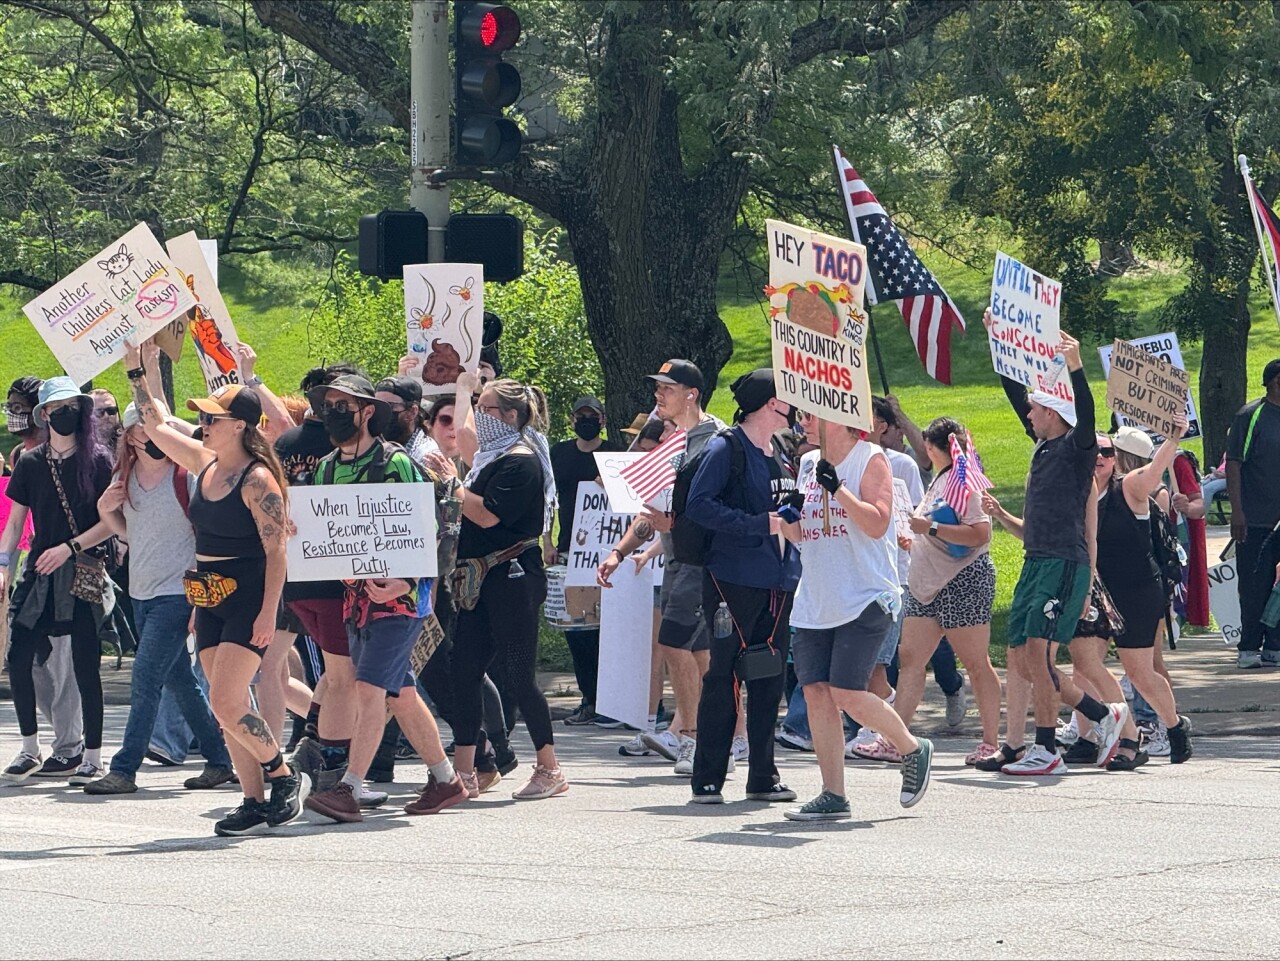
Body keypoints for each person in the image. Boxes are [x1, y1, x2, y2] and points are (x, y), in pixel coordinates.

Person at [128, 346, 309, 837]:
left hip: (251, 596)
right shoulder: (205, 462)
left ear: (240, 426)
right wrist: (136, 371)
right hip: (209, 596)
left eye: (213, 417)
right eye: (204, 418)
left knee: (229, 700)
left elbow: (277, 554)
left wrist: (269, 615)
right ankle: (252, 801)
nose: (203, 424)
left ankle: (284, 776)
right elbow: (157, 425)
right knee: (221, 704)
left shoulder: (258, 481)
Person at [300, 375, 466, 822]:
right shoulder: (326, 469)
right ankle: (447, 780)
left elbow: (429, 529)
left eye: (342, 405)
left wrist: (406, 582)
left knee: (368, 689)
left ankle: (350, 788)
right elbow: (320, 530)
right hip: (356, 603)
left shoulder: (396, 463)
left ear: (367, 411)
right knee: (401, 695)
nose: (332, 413)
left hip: (401, 602)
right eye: (327, 404)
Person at [784, 409, 933, 820]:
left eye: (810, 414)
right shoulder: (808, 462)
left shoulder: (871, 458)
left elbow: (877, 522)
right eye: (799, 416)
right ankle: (833, 793)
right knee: (815, 692)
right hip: (817, 597)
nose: (803, 423)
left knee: (846, 691)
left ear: (838, 417)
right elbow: (805, 536)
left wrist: (840, 492)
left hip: (865, 594)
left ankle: (911, 747)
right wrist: (787, 520)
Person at [993, 330, 1128, 776]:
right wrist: (998, 342)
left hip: (1062, 563)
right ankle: (1104, 715)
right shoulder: (1043, 445)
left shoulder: (1075, 448)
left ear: (1053, 413)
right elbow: (1017, 395)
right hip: (1035, 562)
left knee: (1041, 655)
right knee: (1021, 658)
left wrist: (1074, 365)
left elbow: (1086, 413)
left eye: (1035, 409)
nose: (1027, 414)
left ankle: (1047, 748)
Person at [84, 404, 234, 794]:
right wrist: (106, 511)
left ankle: (124, 768)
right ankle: (220, 761)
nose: (152, 438)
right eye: (144, 430)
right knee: (180, 680)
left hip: (178, 593)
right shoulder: (124, 477)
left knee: (145, 677)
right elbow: (129, 534)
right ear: (130, 436)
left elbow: (209, 539)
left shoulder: (187, 477)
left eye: (159, 428)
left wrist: (201, 601)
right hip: (140, 593)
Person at [596, 360, 728, 775]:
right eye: (658, 388)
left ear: (691, 393)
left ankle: (690, 736)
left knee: (674, 644)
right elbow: (653, 513)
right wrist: (618, 552)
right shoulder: (674, 442)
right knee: (703, 656)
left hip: (703, 561)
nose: (659, 395)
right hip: (676, 559)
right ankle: (714, 739)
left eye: (667, 388)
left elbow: (720, 507)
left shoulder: (716, 440)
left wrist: (680, 524)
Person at [682, 368, 800, 804]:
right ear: (771, 403)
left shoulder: (783, 451)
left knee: (768, 676)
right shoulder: (724, 448)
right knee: (725, 675)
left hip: (779, 579)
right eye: (788, 399)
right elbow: (698, 505)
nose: (796, 408)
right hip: (731, 580)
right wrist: (758, 524)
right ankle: (709, 776)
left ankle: (762, 775)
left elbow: (785, 508)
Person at [451, 374, 568, 800]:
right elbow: (466, 438)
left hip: (513, 575)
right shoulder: (488, 458)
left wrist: (450, 483)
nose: (478, 417)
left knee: (519, 674)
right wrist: (463, 389)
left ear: (511, 416)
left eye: (485, 408)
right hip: (482, 577)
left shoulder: (521, 461)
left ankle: (549, 767)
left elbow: (487, 516)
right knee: (464, 670)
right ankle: (464, 771)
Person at [0, 377, 113, 785]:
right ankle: (30, 747)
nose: (66, 413)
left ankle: (93, 755)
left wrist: (70, 546)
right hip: (39, 571)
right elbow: (15, 524)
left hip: (80, 568)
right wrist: (3, 566)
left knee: (85, 662)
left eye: (73, 406)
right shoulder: (30, 462)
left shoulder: (99, 460)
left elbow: (111, 523)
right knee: (18, 655)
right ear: (44, 414)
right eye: (57, 407)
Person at [893, 417, 1002, 765]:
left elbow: (980, 534)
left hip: (963, 580)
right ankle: (895, 739)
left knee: (975, 662)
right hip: (927, 585)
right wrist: (916, 540)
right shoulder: (940, 481)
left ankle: (990, 741)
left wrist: (932, 528)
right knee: (910, 660)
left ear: (930, 446)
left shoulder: (964, 481)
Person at [1094, 423, 1194, 764]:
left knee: (1139, 671)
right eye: (1092, 452)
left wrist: (1174, 438)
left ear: (1116, 458)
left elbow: (1153, 471)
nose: (1099, 459)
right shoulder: (1079, 493)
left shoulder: (1130, 487)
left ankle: (1174, 726)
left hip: (1137, 591)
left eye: (1106, 453)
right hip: (1098, 594)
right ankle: (1120, 737)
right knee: (1086, 665)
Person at [547, 395, 621, 726]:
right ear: (572, 419)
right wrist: (547, 539)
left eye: (592, 415)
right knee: (577, 631)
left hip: (606, 551)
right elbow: (546, 499)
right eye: (580, 415)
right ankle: (588, 698)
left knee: (607, 631)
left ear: (603, 420)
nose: (586, 420)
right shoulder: (558, 454)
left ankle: (610, 701)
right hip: (569, 551)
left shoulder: (615, 455)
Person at [1226, 358, 1280, 668]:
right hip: (1255, 518)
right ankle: (1249, 647)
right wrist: (1237, 512)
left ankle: (1275, 644)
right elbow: (1234, 463)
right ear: (1275, 381)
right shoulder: (1251, 416)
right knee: (1255, 585)